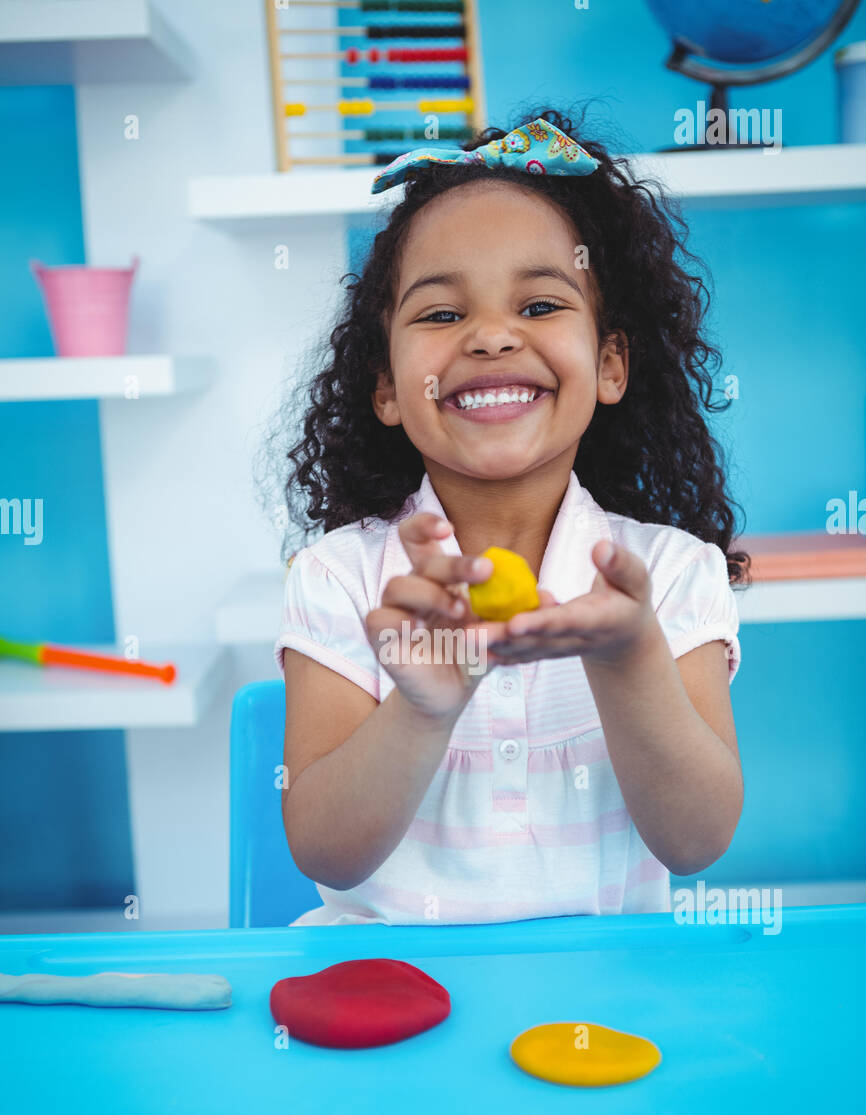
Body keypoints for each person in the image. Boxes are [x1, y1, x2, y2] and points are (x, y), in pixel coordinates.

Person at [273, 109, 749, 926]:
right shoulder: (338, 579)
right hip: (387, 995)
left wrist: (630, 657)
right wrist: (423, 705)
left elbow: (697, 840)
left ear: (608, 365)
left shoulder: (672, 575)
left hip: (604, 1009)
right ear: (385, 385)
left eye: (538, 305)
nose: (492, 336)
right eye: (440, 315)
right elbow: (324, 851)